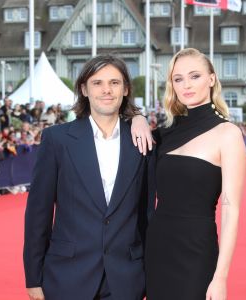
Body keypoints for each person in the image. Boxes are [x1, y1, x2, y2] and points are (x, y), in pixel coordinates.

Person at [23, 55, 155, 300]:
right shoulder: (57, 139)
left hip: (126, 280)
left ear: (125, 89)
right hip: (66, 277)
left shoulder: (142, 142)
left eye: (114, 83)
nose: (106, 90)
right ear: (84, 89)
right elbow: (38, 213)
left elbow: (146, 215)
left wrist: (149, 274)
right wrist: (33, 276)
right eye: (97, 83)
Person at [144, 48, 246, 300]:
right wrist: (137, 119)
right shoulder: (166, 131)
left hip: (196, 251)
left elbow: (231, 210)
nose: (186, 85)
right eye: (178, 79)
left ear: (211, 79)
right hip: (157, 246)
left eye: (194, 76)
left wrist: (220, 277)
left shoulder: (228, 134)